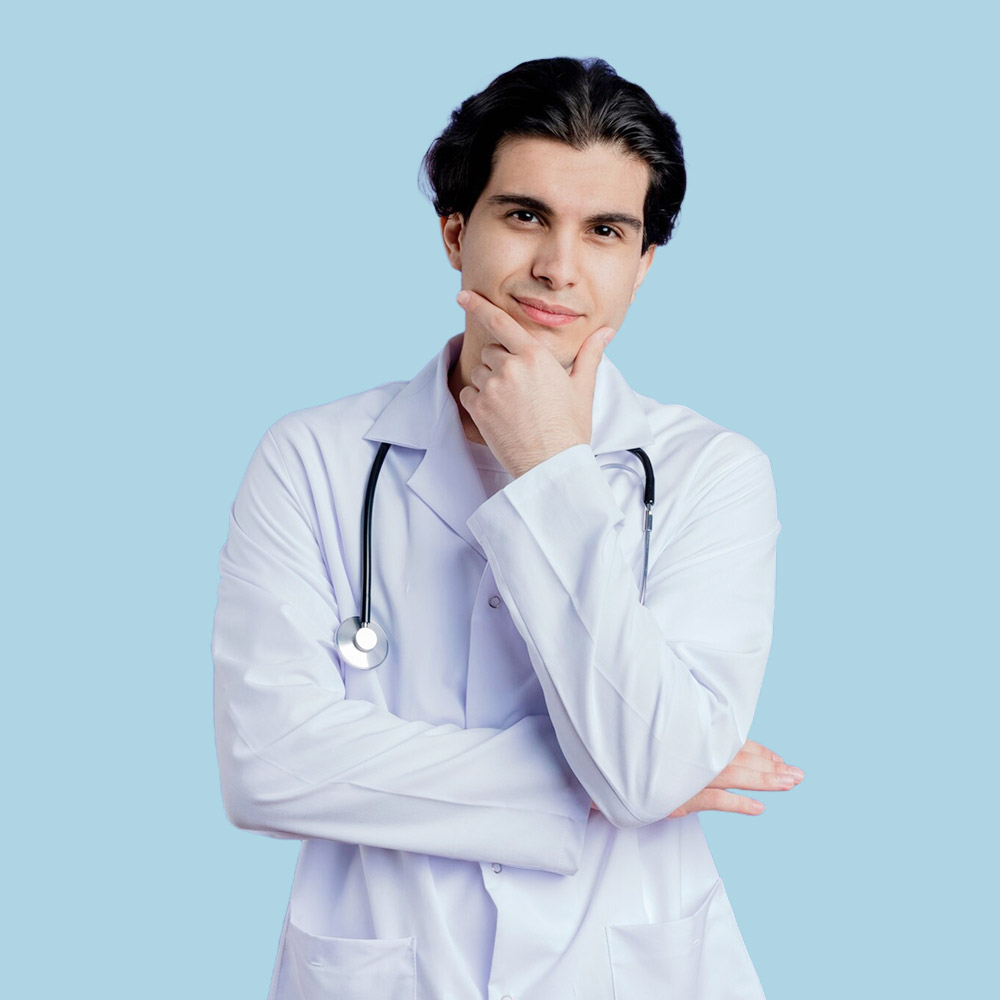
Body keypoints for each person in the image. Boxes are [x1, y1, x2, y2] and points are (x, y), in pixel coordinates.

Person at [213, 56, 803, 1000]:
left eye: (605, 230)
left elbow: (650, 776)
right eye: (525, 215)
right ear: (456, 231)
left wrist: (550, 468)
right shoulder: (313, 459)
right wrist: (611, 784)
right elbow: (267, 766)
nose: (558, 267)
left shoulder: (713, 473)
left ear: (643, 264)